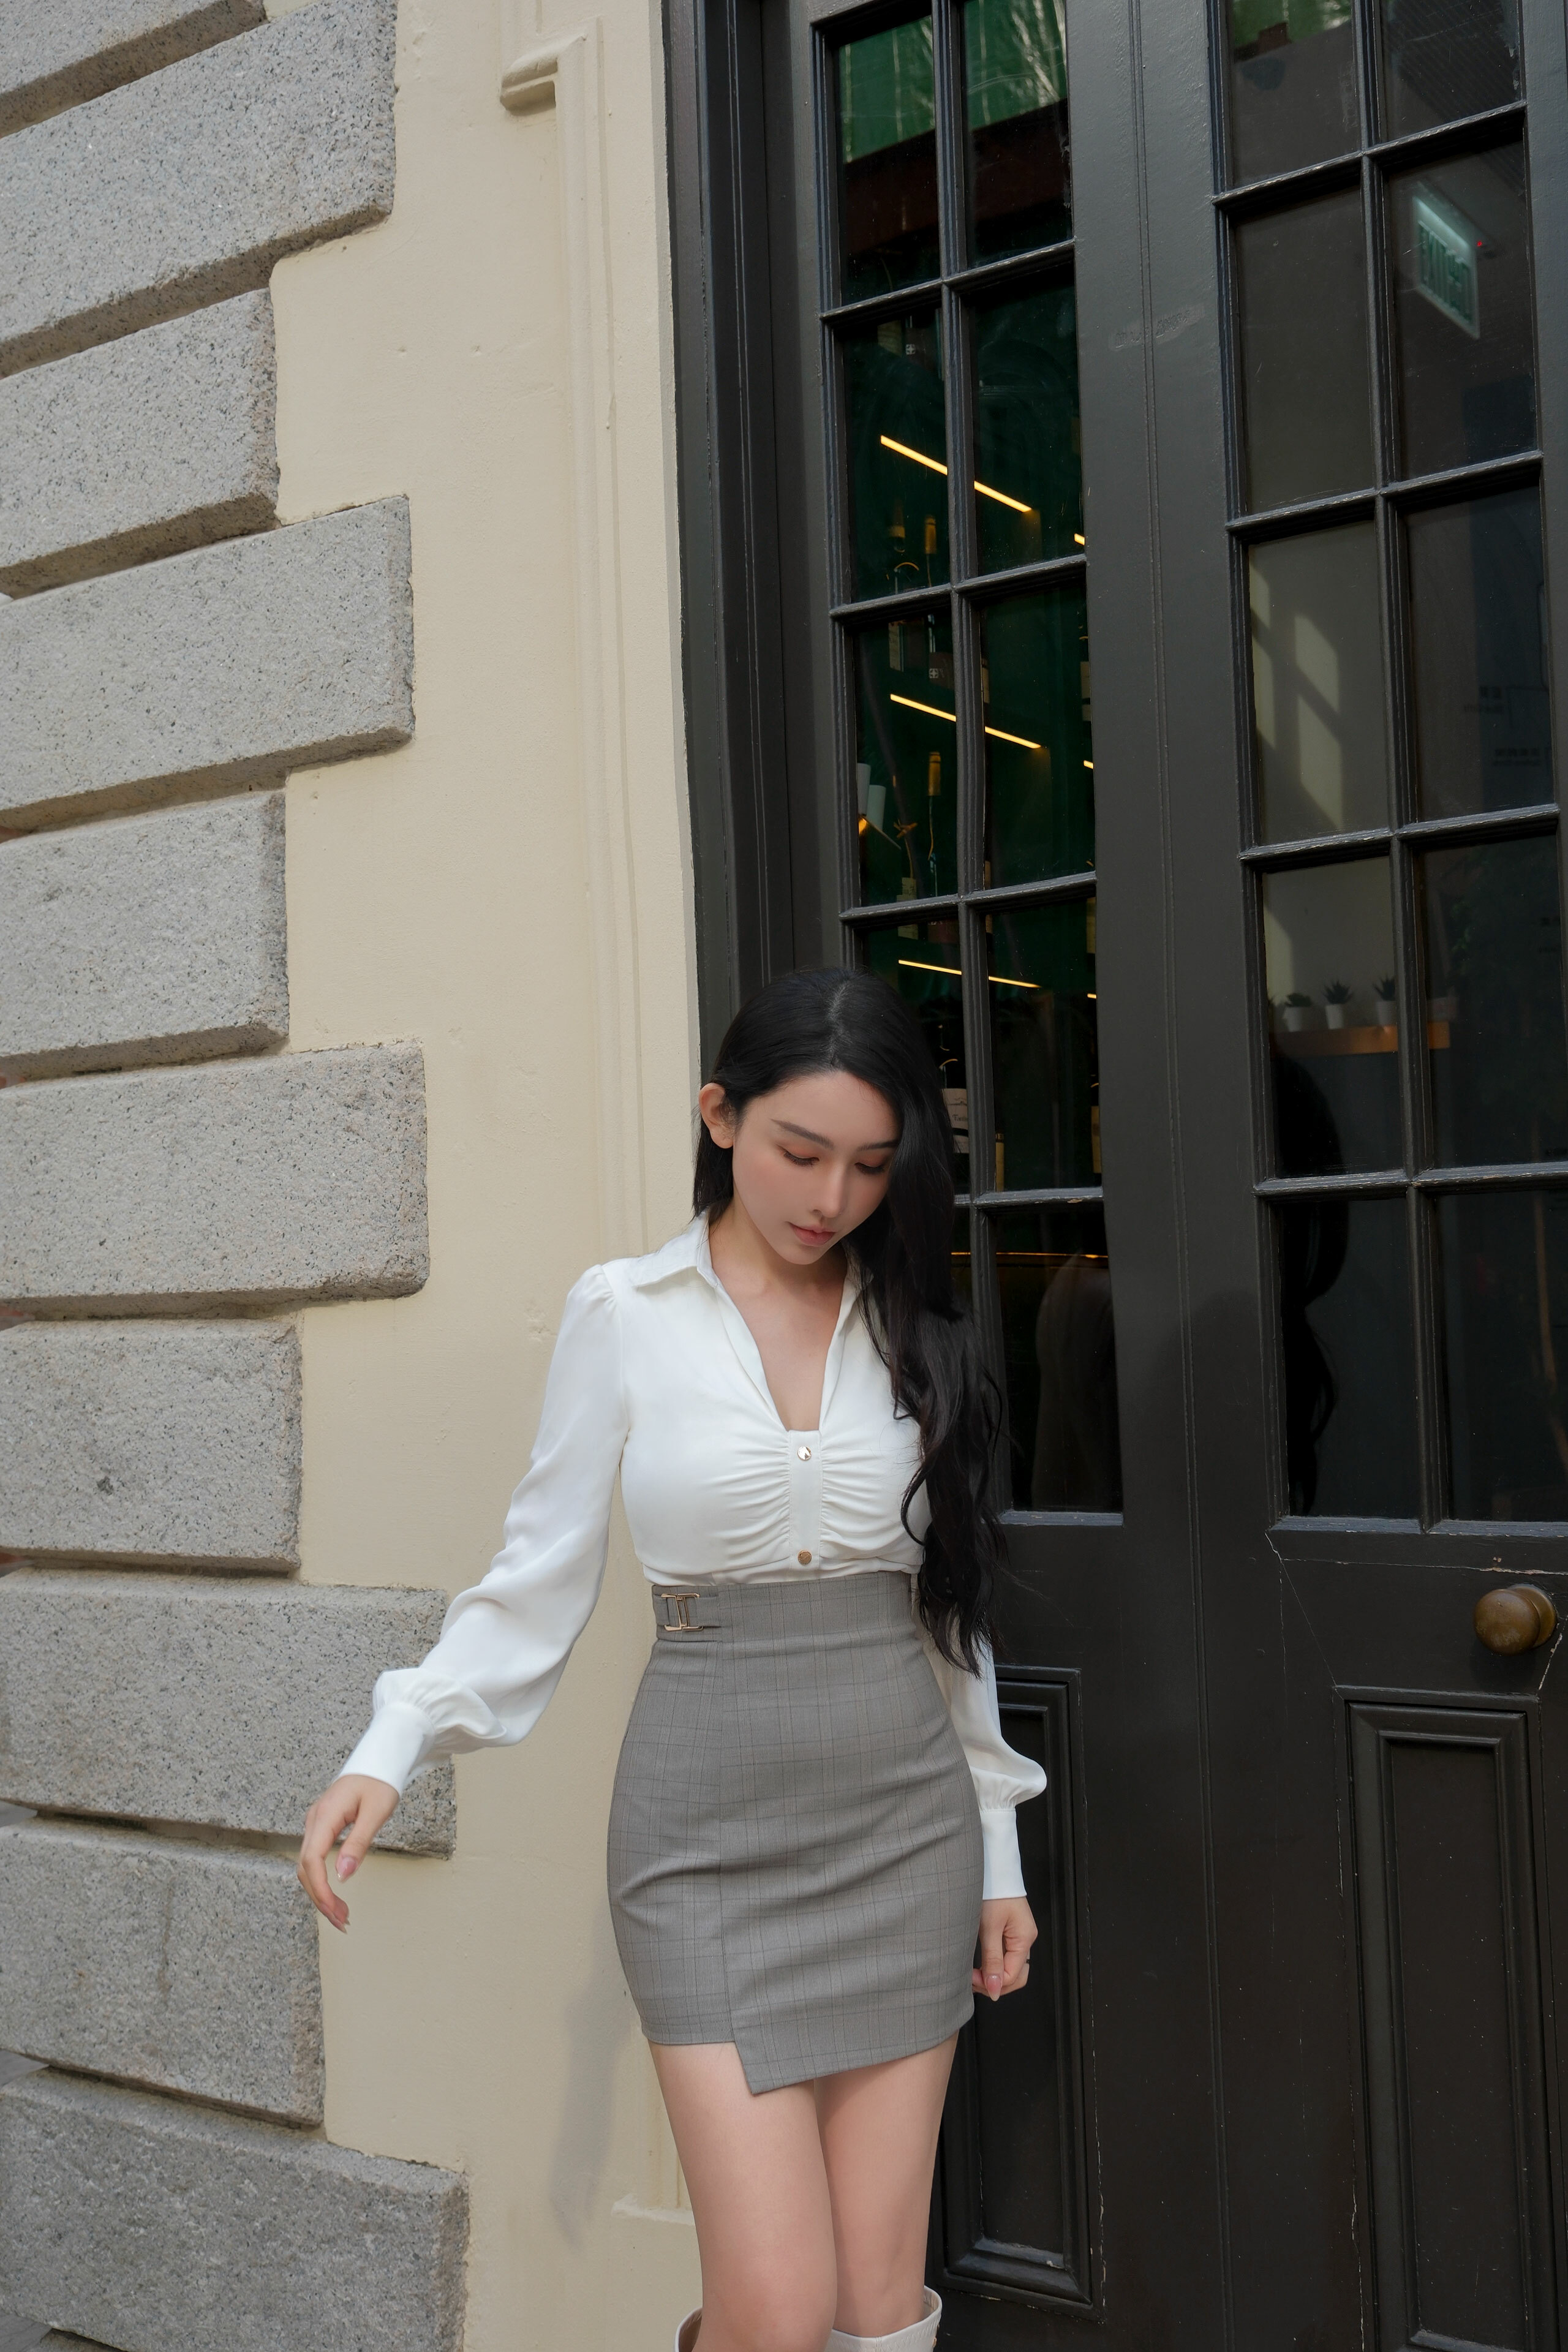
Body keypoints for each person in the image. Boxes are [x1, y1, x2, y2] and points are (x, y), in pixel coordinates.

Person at [298, 968, 1045, 2352]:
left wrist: (997, 1853)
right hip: (702, 1841)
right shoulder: (624, 1312)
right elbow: (535, 1578)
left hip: (904, 1831)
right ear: (720, 1116)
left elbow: (951, 1617)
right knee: (778, 2308)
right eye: (799, 1152)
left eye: (870, 1164)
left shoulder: (914, 1327)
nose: (832, 1197)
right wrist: (394, 1743)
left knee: (877, 2307)